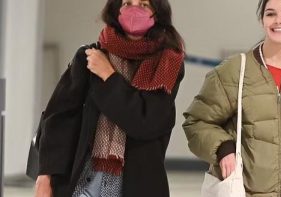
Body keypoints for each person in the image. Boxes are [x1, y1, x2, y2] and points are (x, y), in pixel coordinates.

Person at [183, 0, 281, 196]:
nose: (278, 20)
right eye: (271, 14)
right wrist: (223, 148)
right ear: (262, 20)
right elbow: (196, 122)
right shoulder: (234, 71)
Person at [34, 0, 185, 196]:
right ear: (116, 9)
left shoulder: (167, 65)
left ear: (157, 13)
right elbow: (58, 119)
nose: (134, 9)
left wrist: (109, 77)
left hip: (138, 184)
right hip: (84, 180)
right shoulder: (89, 57)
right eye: (128, 2)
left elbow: (147, 122)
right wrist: (45, 176)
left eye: (144, 4)